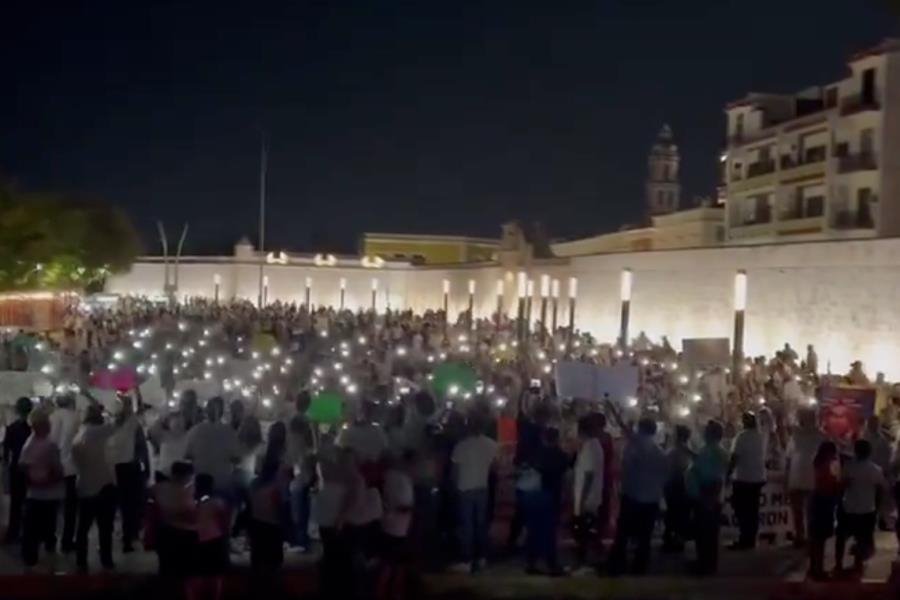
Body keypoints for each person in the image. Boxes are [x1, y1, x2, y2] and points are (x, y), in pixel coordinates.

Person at [608, 417, 668, 576]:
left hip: (633, 496)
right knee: (645, 536)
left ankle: (617, 564)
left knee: (623, 534)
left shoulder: (634, 445)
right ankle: (640, 566)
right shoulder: (659, 451)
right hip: (651, 499)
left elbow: (625, 468)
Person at [72, 404, 117, 572]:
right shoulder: (100, 432)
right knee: (105, 527)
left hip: (84, 484)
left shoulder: (79, 435)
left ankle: (81, 560)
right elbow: (117, 423)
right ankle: (106, 559)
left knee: (83, 527)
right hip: (104, 484)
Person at [450, 414, 498, 574]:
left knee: (467, 526)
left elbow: (455, 471)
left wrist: (453, 487)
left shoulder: (461, 446)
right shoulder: (491, 445)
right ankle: (481, 557)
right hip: (482, 487)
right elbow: (495, 467)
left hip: (465, 488)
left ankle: (467, 559)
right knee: (480, 524)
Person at [19, 407, 65, 570]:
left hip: (36, 492)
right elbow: (57, 470)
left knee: (32, 529)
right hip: (48, 493)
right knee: (47, 527)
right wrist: (47, 480)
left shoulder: (29, 443)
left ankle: (31, 559)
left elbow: (23, 465)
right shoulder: (49, 445)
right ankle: (45, 559)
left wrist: (32, 480)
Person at [835, 439, 885, 577]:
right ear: (869, 452)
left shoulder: (849, 467)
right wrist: (877, 507)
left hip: (849, 507)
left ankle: (838, 564)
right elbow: (880, 489)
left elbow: (841, 486)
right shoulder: (875, 469)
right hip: (867, 508)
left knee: (841, 537)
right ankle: (858, 564)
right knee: (863, 538)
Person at [107, 395, 149, 553]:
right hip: (130, 467)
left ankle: (115, 537)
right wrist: (146, 467)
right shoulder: (133, 424)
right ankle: (128, 537)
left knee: (118, 505)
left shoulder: (111, 425)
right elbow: (141, 448)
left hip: (114, 467)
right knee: (130, 505)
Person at [686, 420, 728, 576]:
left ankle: (706, 565)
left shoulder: (715, 451)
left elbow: (716, 477)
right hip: (704, 496)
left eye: (706, 431)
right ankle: (704, 562)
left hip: (707, 497)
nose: (703, 433)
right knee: (704, 533)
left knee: (706, 534)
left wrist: (709, 498)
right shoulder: (710, 450)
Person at [525, 427, 569, 576]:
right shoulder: (561, 455)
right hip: (552, 495)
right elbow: (566, 474)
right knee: (549, 532)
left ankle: (531, 562)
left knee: (534, 529)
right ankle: (550, 563)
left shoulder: (536, 453)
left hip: (535, 494)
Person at [185, 396, 241, 502]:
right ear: (222, 412)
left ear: (206, 411)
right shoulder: (230, 432)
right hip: (221, 483)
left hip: (200, 481)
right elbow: (237, 458)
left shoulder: (195, 430)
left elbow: (187, 454)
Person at [377, 451, 416, 599]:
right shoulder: (402, 479)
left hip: (387, 524)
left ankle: (383, 593)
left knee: (387, 563)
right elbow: (405, 505)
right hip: (399, 527)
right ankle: (395, 594)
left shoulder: (386, 477)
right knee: (397, 564)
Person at [785, 408, 824, 548]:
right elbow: (789, 458)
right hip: (799, 477)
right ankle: (801, 536)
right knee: (799, 510)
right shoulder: (796, 436)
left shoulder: (820, 436)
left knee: (807, 511)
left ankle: (807, 536)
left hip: (810, 478)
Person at [728, 411, 767, 550]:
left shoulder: (741, 437)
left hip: (744, 478)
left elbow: (734, 457)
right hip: (758, 478)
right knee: (753, 510)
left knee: (741, 509)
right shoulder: (760, 436)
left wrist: (728, 473)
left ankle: (745, 537)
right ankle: (751, 537)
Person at [153, 460, 198, 576]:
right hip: (185, 535)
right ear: (188, 475)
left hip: (164, 533)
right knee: (186, 571)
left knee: (167, 569)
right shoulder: (189, 491)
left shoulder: (159, 488)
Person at [49, 393, 79, 554]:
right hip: (71, 467)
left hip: (54, 466)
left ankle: (50, 538)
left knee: (52, 504)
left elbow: (52, 441)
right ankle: (67, 540)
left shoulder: (52, 417)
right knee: (70, 507)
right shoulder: (75, 417)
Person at [572, 416, 604, 568]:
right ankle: (586, 558)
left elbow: (589, 475)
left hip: (588, 498)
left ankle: (584, 560)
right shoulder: (591, 446)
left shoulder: (591, 447)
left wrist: (582, 499)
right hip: (589, 496)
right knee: (585, 530)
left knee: (584, 530)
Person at [807, 441, 840, 581]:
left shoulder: (817, 463)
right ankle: (818, 570)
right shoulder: (827, 465)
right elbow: (829, 484)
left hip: (817, 500)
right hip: (824, 501)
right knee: (820, 538)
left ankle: (814, 567)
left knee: (815, 538)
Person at [3, 397, 32, 544]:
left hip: (16, 468)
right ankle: (28, 533)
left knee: (16, 502)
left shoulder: (12, 428)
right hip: (31, 469)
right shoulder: (32, 429)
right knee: (29, 502)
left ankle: (13, 532)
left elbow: (6, 452)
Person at [662, 424, 694, 553]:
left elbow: (671, 467)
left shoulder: (675, 451)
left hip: (675, 484)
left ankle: (673, 538)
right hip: (679, 484)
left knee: (674, 512)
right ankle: (675, 537)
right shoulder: (685, 450)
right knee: (678, 513)